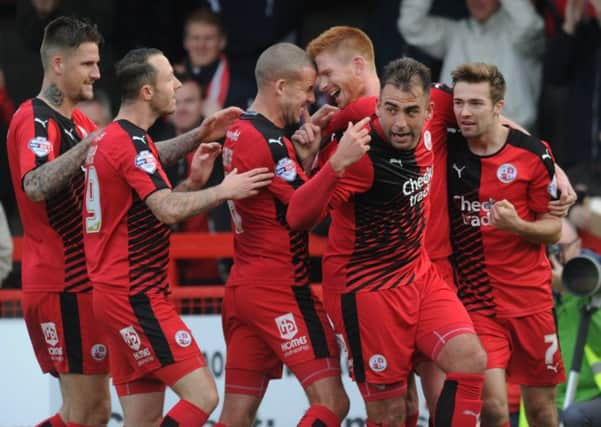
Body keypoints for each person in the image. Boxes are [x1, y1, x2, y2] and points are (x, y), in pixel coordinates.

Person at [288, 56, 488, 427]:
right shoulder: (358, 156)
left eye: (411, 111)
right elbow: (298, 217)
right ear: (377, 106)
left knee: (471, 361)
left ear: (429, 110)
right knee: (392, 414)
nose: (399, 122)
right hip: (366, 291)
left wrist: (547, 158)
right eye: (390, 109)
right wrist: (331, 162)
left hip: (419, 275)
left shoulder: (436, 116)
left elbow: (489, 107)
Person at [82, 47, 273, 426]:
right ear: (148, 92)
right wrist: (223, 189)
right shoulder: (130, 144)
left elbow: (148, 217)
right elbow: (167, 210)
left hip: (115, 292)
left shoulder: (117, 140)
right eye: (169, 77)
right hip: (133, 295)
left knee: (144, 419)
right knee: (203, 396)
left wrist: (192, 183)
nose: (178, 84)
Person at [214, 42, 368, 427]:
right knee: (333, 403)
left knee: (237, 415)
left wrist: (306, 159)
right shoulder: (268, 140)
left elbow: (277, 194)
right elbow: (302, 214)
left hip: (243, 288)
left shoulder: (239, 131)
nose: (309, 102)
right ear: (280, 86)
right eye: (305, 90)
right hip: (281, 288)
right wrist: (337, 162)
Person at [446, 62, 564, 427]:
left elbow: (554, 228)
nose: (464, 112)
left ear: (499, 108)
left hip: (531, 301)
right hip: (478, 303)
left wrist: (518, 225)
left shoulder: (531, 154)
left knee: (543, 412)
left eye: (476, 104)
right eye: (459, 102)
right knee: (494, 409)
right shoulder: (447, 148)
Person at [6, 16, 110, 427]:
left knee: (95, 413)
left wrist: (198, 137)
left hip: (82, 282)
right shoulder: (34, 118)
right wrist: (87, 148)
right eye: (88, 64)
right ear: (58, 64)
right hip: (60, 282)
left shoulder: (80, 121)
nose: (98, 73)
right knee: (83, 413)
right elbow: (34, 184)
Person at [398, 0, 544, 131]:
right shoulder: (455, 33)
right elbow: (411, 25)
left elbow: (529, 24)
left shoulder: (520, 35)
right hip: (458, 137)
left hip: (513, 136)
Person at [549, 218, 601, 427]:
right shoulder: (536, 293)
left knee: (575, 417)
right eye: (550, 249)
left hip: (592, 397)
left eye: (562, 248)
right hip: (555, 402)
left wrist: (575, 289)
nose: (557, 257)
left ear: (579, 246)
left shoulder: (595, 283)